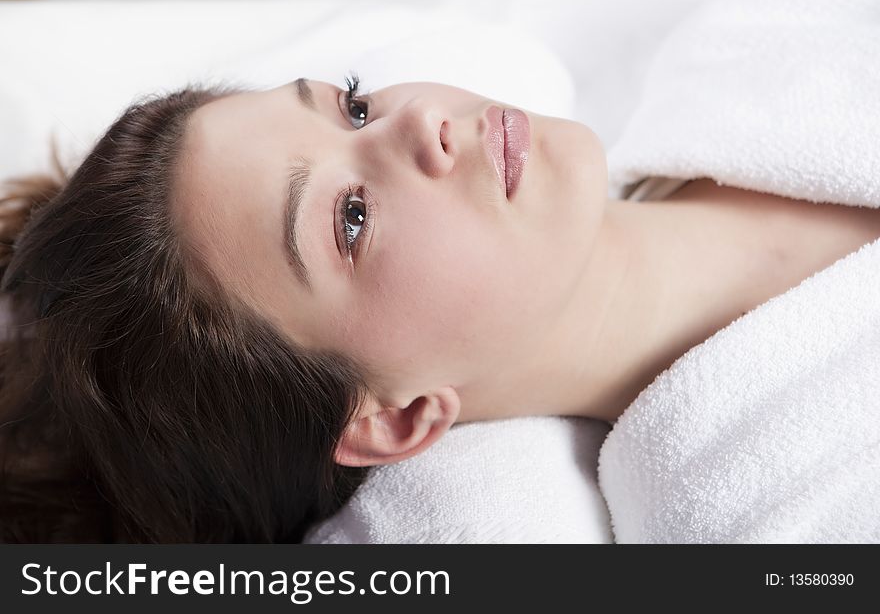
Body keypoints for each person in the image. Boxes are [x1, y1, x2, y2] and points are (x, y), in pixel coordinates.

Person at [2, 75, 879, 543]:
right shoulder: (796, 524)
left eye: (351, 106)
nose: (420, 117)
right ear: (392, 420)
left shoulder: (759, 41)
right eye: (351, 217)